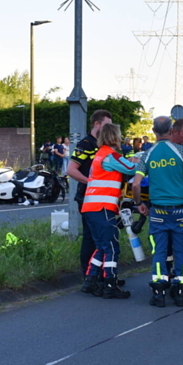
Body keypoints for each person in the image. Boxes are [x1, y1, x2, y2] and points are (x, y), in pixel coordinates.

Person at [132, 116, 183, 308]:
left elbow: (137, 183)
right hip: (181, 210)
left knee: (159, 251)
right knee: (181, 250)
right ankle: (181, 292)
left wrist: (139, 203)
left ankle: (158, 293)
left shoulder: (147, 154)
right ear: (171, 130)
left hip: (158, 212)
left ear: (154, 131)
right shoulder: (182, 151)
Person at [81, 123, 138, 299]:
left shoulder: (99, 155)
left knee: (101, 246)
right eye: (119, 136)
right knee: (112, 247)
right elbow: (131, 169)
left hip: (91, 207)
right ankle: (110, 284)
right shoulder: (110, 155)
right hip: (103, 207)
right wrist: (138, 161)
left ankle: (90, 281)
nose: (121, 139)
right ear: (114, 137)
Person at [66, 109, 113, 281]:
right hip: (87, 197)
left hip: (102, 199)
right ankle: (88, 274)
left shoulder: (103, 144)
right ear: (97, 124)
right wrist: (92, 183)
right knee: (90, 237)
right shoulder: (87, 144)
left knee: (102, 238)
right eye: (107, 125)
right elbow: (71, 169)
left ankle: (103, 274)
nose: (109, 129)